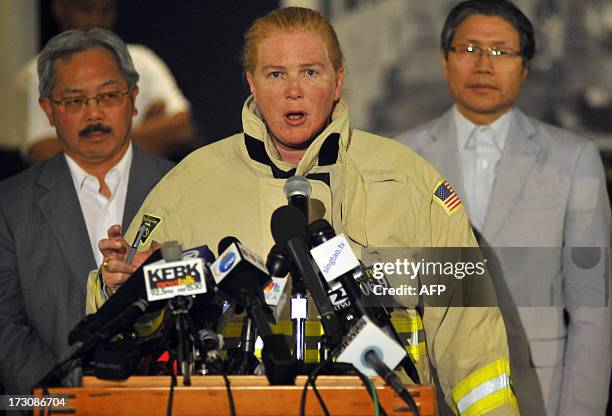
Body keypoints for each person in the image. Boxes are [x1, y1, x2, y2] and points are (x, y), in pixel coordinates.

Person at [90, 7, 518, 415]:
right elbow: (128, 335)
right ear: (252, 84)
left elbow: (474, 342)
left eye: (310, 72)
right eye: (276, 74)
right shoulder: (187, 189)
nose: (293, 90)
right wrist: (120, 289)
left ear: (338, 82)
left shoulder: (413, 184)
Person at [396, 1, 611, 415]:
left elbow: (593, 312)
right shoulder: (403, 157)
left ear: (525, 67)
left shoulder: (574, 159)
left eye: (501, 51)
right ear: (444, 60)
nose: (483, 65)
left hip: (538, 392)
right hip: (433, 392)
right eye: (469, 49)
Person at [0, 28, 174, 394]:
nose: (94, 113)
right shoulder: (9, 205)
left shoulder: (179, 187)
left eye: (109, 95)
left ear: (134, 98)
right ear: (48, 109)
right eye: (75, 101)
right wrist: (58, 399)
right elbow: (5, 324)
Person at [13, 0, 193, 163]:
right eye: (74, 100)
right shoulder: (37, 73)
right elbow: (43, 152)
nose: (96, 21)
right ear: (60, 9)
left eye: (106, 10)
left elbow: (181, 129)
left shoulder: (143, 60)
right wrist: (150, 129)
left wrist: (84, 142)